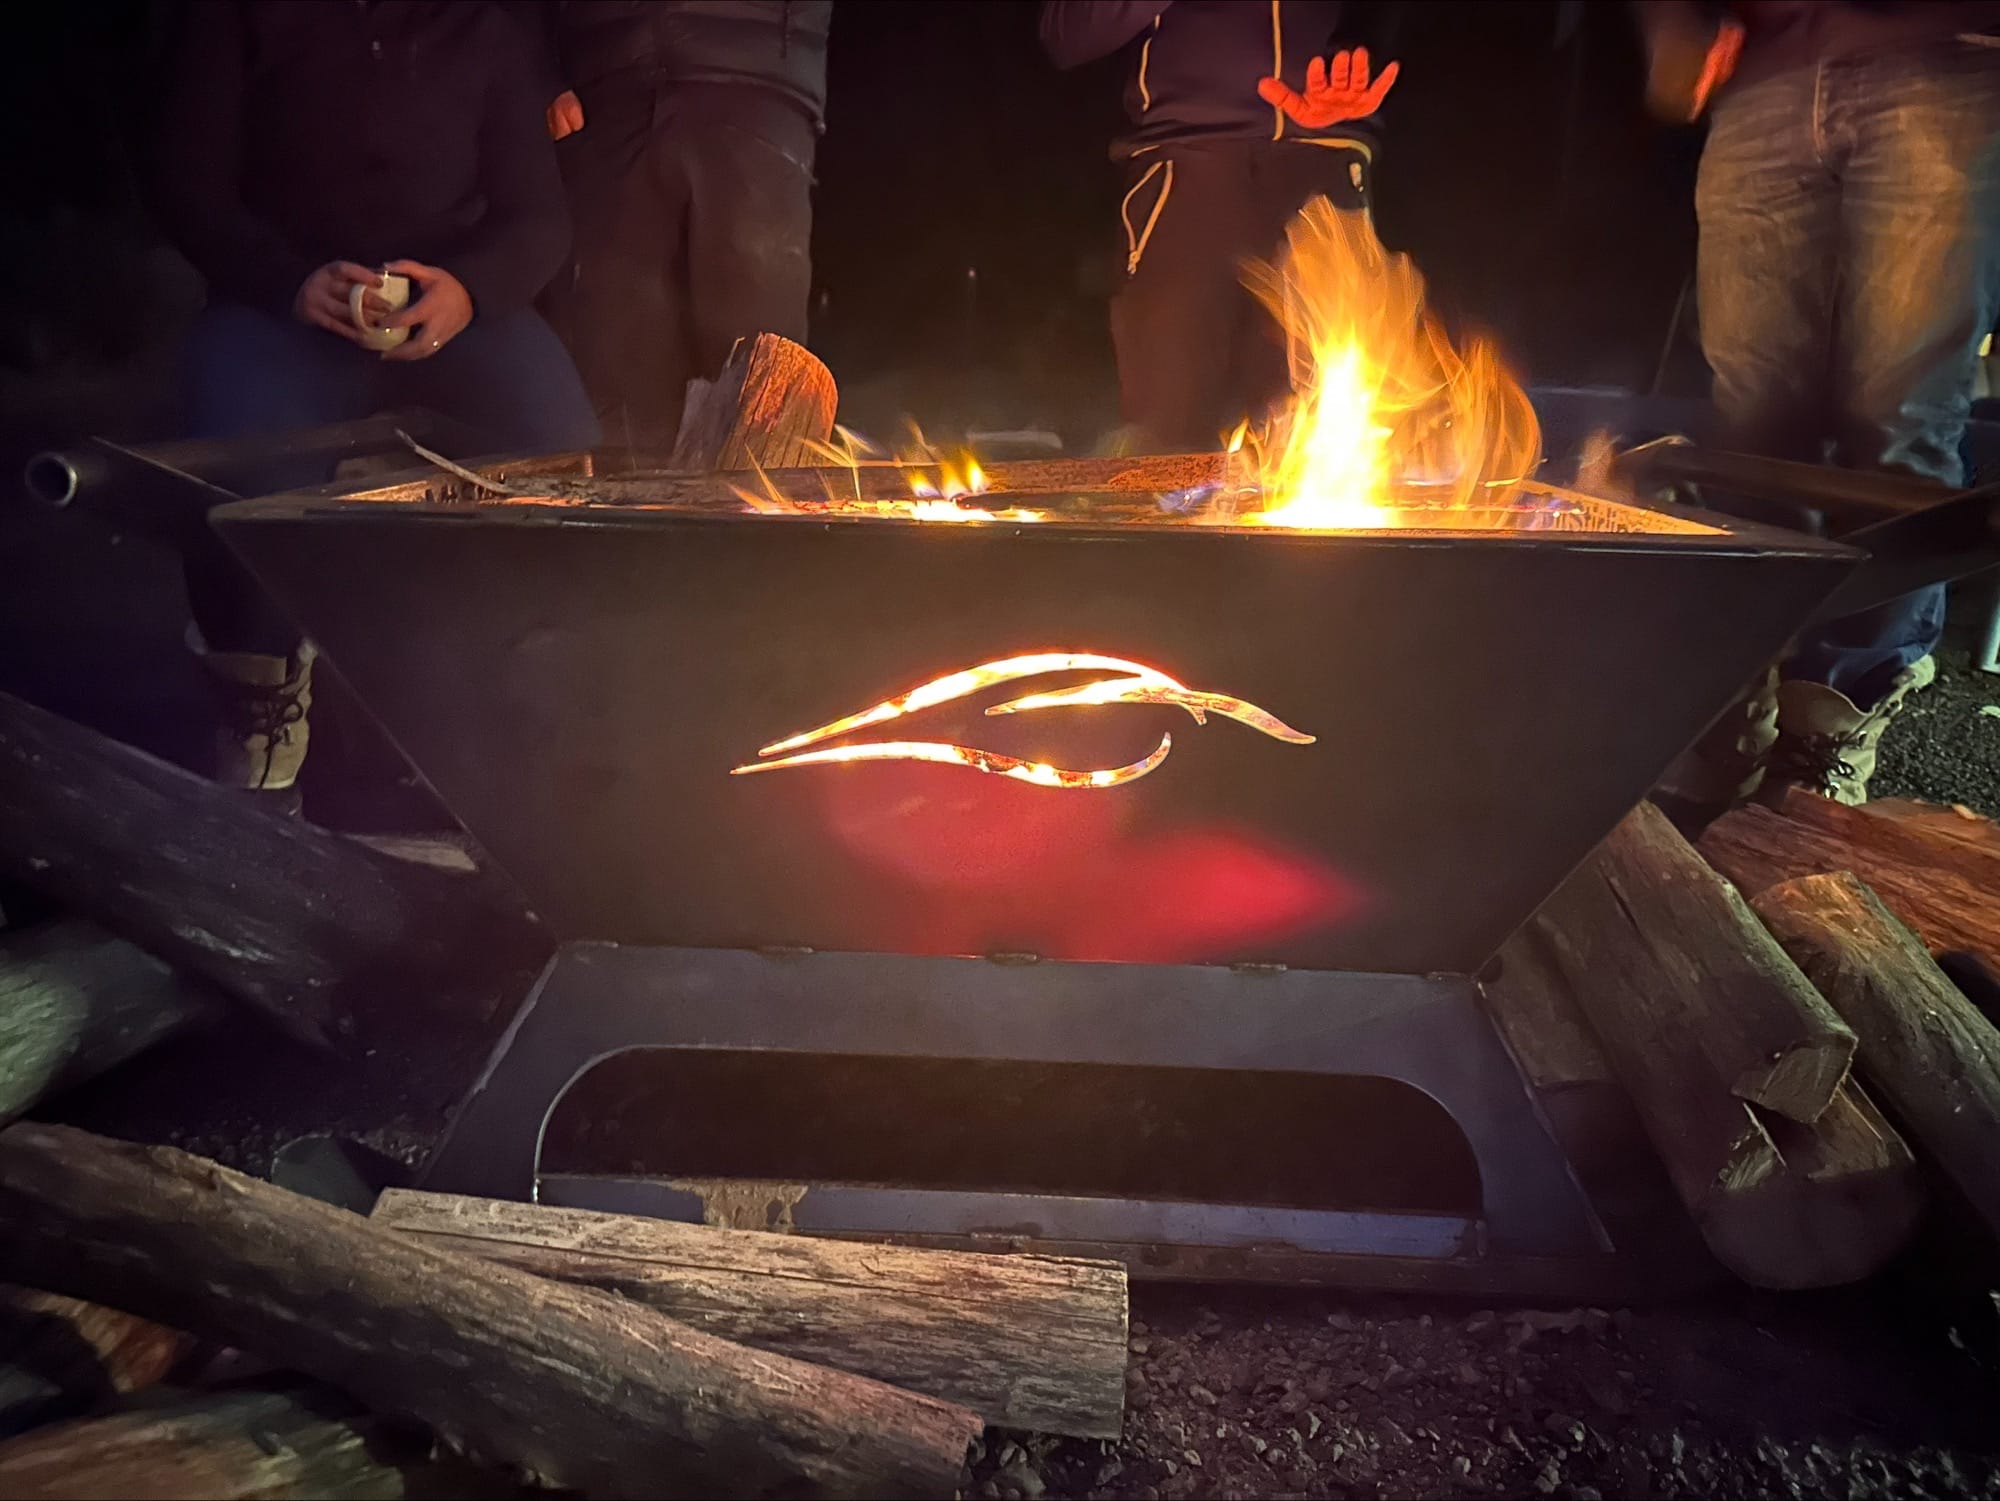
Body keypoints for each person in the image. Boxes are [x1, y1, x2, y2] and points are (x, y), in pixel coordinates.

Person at [152, 0, 599, 796]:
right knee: (239, 475)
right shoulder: (233, 19)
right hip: (281, 309)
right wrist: (288, 283)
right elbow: (188, 189)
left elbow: (539, 216)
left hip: (454, 317)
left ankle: (517, 698)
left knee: (559, 448)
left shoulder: (481, 25)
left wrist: (469, 290)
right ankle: (259, 695)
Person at [1640, 0, 2000, 805]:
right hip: (1764, 79)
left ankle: (1832, 718)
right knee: (1752, 429)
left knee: (1901, 425)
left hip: (1950, 57)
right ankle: (1738, 697)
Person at [1040, 1, 1402, 454]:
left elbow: (1379, 19)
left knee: (1321, 434)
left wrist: (1356, 52)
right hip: (1188, 165)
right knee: (1164, 430)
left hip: (1329, 162)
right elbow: (1067, 34)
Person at [526, 1, 832, 453]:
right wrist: (538, 69)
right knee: (619, 367)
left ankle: (765, 514)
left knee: (757, 377)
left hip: (758, 74)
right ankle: (634, 516)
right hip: (600, 85)